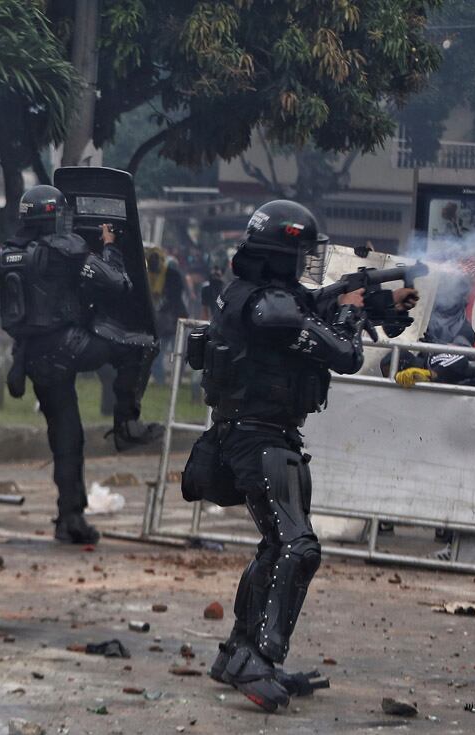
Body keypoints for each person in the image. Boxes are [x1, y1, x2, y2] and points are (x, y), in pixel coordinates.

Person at [181, 200, 415, 713]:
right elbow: (345, 354)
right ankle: (258, 659)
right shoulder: (269, 309)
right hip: (257, 436)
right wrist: (353, 310)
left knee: (276, 544)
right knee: (298, 547)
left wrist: (375, 307)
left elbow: (312, 311)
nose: (305, 265)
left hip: (264, 433)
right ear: (279, 256)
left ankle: (237, 652)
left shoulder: (267, 298)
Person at [0, 185, 163, 545]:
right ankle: (126, 423)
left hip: (33, 357)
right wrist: (110, 247)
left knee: (67, 437)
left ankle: (69, 517)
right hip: (68, 346)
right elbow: (117, 283)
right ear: (53, 218)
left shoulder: (9, 255)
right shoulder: (62, 251)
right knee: (141, 347)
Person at [146, 245, 189, 384]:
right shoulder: (148, 276)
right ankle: (160, 379)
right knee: (158, 351)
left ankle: (176, 379)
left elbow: (175, 296)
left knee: (180, 353)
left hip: (176, 319)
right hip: (160, 323)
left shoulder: (172, 275)